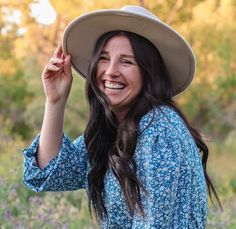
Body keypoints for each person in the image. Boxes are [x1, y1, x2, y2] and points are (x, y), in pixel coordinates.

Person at [23, 5, 220, 228]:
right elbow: (52, 172)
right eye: (104, 58)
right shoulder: (114, 131)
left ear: (149, 73)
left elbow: (155, 224)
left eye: (127, 61)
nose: (111, 71)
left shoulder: (158, 128)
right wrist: (55, 102)